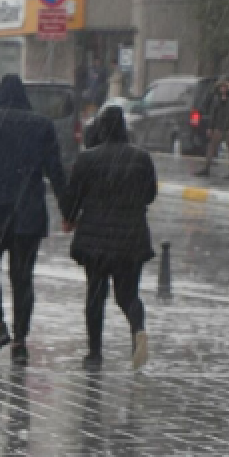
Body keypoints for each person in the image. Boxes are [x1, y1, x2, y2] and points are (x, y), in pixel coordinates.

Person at [0, 74, 68, 365]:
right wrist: (68, 210)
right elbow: (56, 170)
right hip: (28, 214)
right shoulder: (42, 125)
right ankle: (20, 340)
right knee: (23, 278)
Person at [61, 106, 157, 370]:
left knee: (96, 295)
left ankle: (94, 354)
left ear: (101, 129)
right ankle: (138, 329)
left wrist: (69, 218)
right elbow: (150, 195)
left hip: (96, 241)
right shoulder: (141, 158)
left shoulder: (87, 159)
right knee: (128, 295)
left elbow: (73, 196)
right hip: (131, 239)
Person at [195, 78, 229, 180]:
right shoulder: (217, 98)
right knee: (211, 147)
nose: (223, 89)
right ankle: (206, 169)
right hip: (218, 126)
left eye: (225, 87)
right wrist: (210, 127)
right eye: (221, 87)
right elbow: (213, 113)